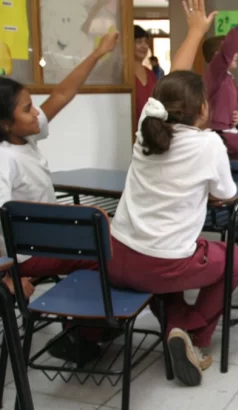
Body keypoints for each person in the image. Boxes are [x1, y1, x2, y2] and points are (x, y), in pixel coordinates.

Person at [107, 0, 238, 387]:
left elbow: (172, 83)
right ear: (204, 109)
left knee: (158, 264)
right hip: (162, 266)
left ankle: (175, 327)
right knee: (234, 258)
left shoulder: (145, 128)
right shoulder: (209, 146)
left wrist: (195, 33)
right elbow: (225, 193)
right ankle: (194, 333)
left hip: (116, 255)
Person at [0, 32, 120, 363]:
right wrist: (8, 273)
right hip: (27, 253)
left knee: (108, 240)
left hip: (46, 243)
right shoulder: (4, 159)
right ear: (5, 124)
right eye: (27, 109)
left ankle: (91, 325)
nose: (36, 112)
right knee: (105, 254)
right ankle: (83, 334)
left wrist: (97, 54)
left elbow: (63, 93)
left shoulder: (26, 137)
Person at [202, 10, 238, 160]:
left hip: (232, 132)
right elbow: (227, 49)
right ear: (218, 56)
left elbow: (233, 109)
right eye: (234, 51)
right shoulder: (214, 73)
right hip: (220, 135)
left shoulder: (228, 78)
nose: (237, 54)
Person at [133, 25, 157, 129]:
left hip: (150, 133)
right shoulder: (123, 74)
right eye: (139, 42)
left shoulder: (150, 74)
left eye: (145, 42)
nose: (144, 46)